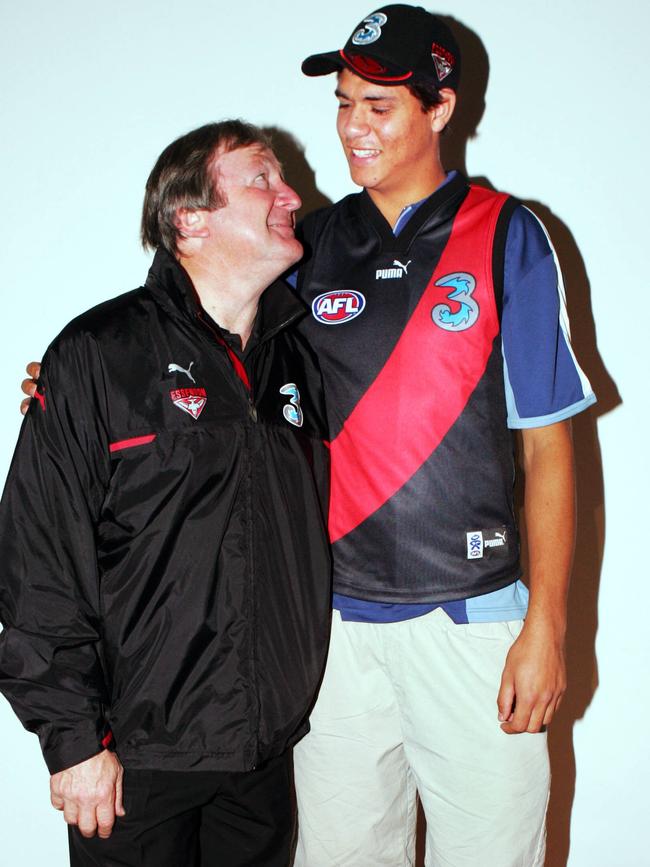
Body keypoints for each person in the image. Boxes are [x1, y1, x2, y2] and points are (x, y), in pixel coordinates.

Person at [287, 5, 596, 866]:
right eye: (344, 102)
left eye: (378, 107)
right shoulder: (307, 242)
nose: (353, 126)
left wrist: (547, 626)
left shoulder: (507, 234)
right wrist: (91, 380)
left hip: (472, 623)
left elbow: (548, 448)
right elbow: (201, 345)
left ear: (440, 108)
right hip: (335, 633)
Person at [0, 119, 331, 867]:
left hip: (261, 756)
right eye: (262, 179)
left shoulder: (296, 362)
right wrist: (74, 740)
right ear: (190, 218)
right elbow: (37, 562)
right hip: (137, 758)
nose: (290, 195)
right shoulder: (99, 356)